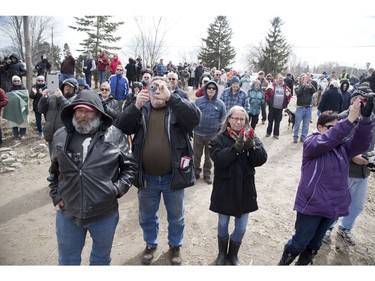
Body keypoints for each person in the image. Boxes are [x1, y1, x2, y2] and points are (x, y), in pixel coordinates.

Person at [116, 76, 201, 266]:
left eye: (161, 87)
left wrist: (171, 98)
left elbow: (195, 119)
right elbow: (121, 126)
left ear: (169, 89)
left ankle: (175, 246)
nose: (157, 91)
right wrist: (135, 106)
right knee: (147, 215)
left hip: (174, 176)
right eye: (153, 87)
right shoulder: (141, 108)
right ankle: (150, 244)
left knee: (176, 215)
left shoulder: (177, 108)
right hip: (147, 177)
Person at [278, 100, 374, 266]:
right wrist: (348, 120)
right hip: (312, 204)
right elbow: (328, 140)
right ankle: (283, 265)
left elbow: (361, 143)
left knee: (315, 244)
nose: (336, 131)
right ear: (320, 127)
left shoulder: (343, 147)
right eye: (331, 127)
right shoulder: (312, 143)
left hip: (332, 206)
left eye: (337, 127)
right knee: (300, 242)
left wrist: (365, 120)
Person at [48, 90, 138, 265]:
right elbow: (54, 170)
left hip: (104, 213)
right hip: (69, 213)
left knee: (100, 259)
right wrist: (55, 194)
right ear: (73, 112)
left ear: (98, 112)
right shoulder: (61, 135)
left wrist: (117, 188)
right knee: (67, 261)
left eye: (88, 111)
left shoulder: (114, 136)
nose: (83, 116)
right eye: (79, 111)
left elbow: (130, 166)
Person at [208, 105, 267, 265]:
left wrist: (251, 147)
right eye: (236, 118)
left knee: (241, 227)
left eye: (242, 119)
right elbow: (219, 160)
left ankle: (233, 255)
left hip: (245, 189)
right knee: (223, 223)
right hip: (225, 189)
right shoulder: (218, 139)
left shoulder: (251, 137)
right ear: (228, 120)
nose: (239, 122)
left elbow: (261, 160)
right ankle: (221, 254)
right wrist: (235, 149)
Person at [323, 86, 375, 246]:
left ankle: (346, 228)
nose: (365, 104)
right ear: (354, 100)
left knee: (357, 205)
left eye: (368, 100)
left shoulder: (371, 120)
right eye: (362, 99)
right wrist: (352, 156)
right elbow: (330, 143)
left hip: (363, 172)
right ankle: (328, 227)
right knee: (336, 201)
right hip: (343, 170)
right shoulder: (341, 119)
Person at [193, 80, 226, 184]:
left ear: (216, 90)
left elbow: (223, 118)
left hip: (212, 135)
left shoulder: (221, 104)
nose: (211, 90)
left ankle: (207, 174)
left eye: (213, 88)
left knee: (209, 156)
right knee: (196, 155)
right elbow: (193, 115)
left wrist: (219, 130)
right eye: (209, 88)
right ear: (205, 89)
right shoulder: (198, 101)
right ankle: (195, 172)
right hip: (198, 133)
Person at [38, 78, 78, 156]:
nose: (68, 88)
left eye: (70, 87)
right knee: (52, 158)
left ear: (74, 89)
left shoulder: (76, 99)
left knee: (63, 159)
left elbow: (70, 110)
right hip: (50, 133)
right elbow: (40, 110)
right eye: (66, 86)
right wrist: (43, 98)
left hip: (64, 135)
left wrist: (61, 97)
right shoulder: (52, 97)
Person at [265, 74, 291, 138]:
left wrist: (287, 102)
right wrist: (268, 101)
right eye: (279, 78)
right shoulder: (271, 86)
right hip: (272, 107)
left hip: (280, 108)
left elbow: (289, 95)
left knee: (278, 121)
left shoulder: (285, 87)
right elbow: (266, 94)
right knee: (270, 120)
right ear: (276, 79)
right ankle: (268, 133)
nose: (281, 79)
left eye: (282, 78)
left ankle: (276, 134)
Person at [2, 75, 29, 140]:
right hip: (13, 108)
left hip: (22, 107)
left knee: (23, 121)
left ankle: (22, 134)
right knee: (13, 121)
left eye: (18, 81)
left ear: (20, 81)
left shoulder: (23, 88)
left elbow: (26, 96)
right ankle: (16, 135)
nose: (16, 82)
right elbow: (9, 97)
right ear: (12, 81)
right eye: (15, 81)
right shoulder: (10, 88)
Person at [293, 73, 316, 143]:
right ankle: (295, 137)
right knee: (297, 124)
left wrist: (309, 83)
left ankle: (303, 137)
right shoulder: (297, 86)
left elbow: (314, 91)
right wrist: (303, 85)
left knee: (306, 124)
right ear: (300, 79)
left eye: (305, 78)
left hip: (308, 108)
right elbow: (298, 93)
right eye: (302, 78)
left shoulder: (309, 87)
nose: (304, 79)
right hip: (300, 108)